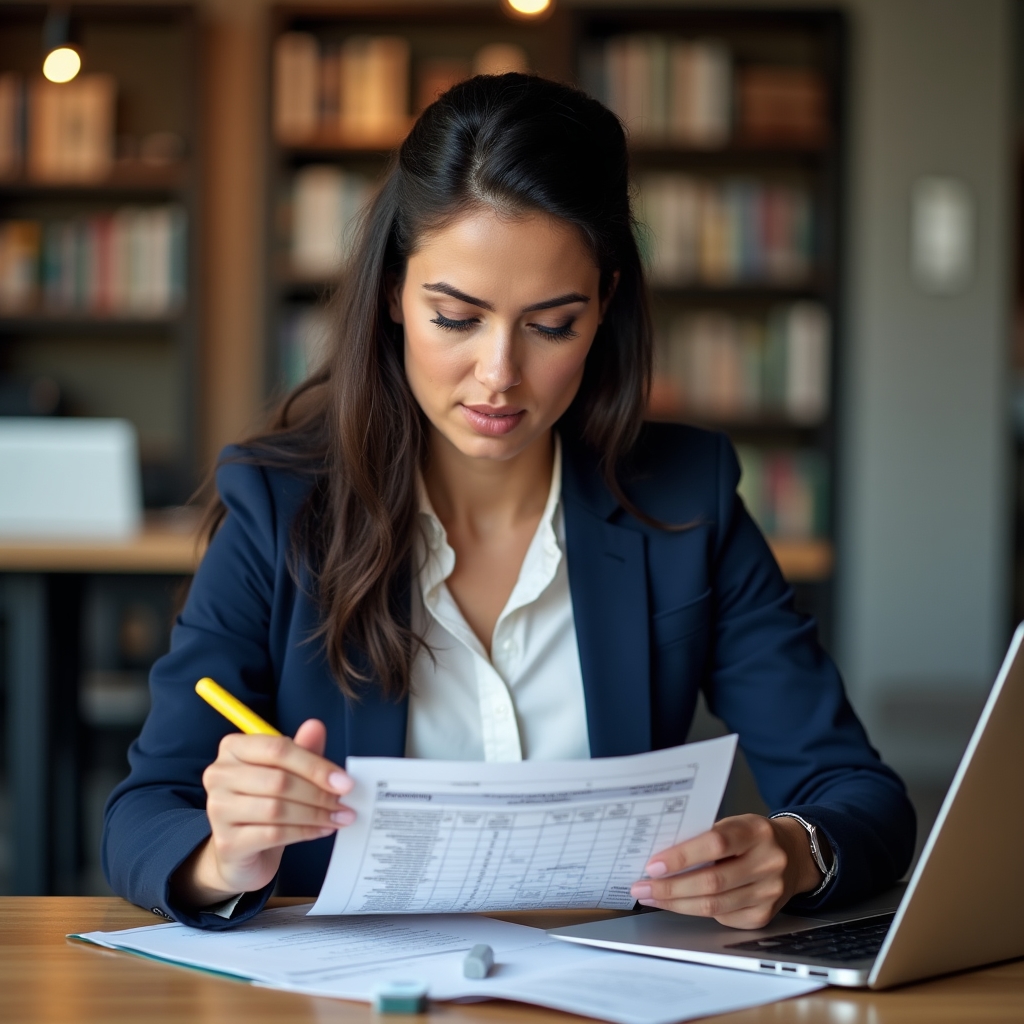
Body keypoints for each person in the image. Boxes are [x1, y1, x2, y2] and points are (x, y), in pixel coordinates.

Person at [103, 74, 915, 930]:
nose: (499, 374)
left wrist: (793, 852)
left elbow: (858, 795)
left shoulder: (685, 499)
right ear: (392, 295)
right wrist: (223, 854)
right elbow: (142, 815)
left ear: (603, 305)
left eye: (552, 324)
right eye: (456, 317)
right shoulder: (279, 504)